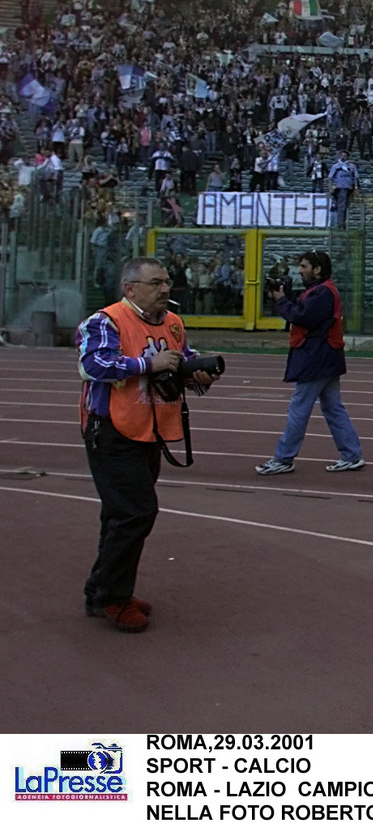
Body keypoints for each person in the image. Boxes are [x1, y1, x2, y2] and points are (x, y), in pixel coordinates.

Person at [76, 256, 218, 633]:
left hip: (149, 429)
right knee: (135, 513)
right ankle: (113, 596)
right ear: (130, 289)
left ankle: (102, 590)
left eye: (166, 281)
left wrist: (196, 375)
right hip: (111, 431)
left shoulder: (172, 323)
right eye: (155, 283)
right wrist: (146, 365)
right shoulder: (105, 321)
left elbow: (179, 361)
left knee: (120, 515)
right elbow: (93, 365)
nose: (165, 289)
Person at [255, 250, 365, 475]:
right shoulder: (320, 291)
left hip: (316, 358)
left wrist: (282, 301)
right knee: (333, 408)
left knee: (299, 409)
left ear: (318, 269)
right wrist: (286, 296)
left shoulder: (323, 293)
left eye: (304, 266)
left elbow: (302, 316)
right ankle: (351, 454)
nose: (300, 270)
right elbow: (304, 309)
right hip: (325, 357)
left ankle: (283, 458)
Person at [327, 148, 359, 227]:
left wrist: (356, 187)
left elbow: (355, 177)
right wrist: (331, 187)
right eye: (342, 155)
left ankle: (343, 221)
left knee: (345, 206)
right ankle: (340, 223)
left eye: (345, 156)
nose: (343, 157)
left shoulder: (351, 166)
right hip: (341, 188)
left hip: (349, 188)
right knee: (342, 205)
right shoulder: (336, 166)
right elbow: (330, 177)